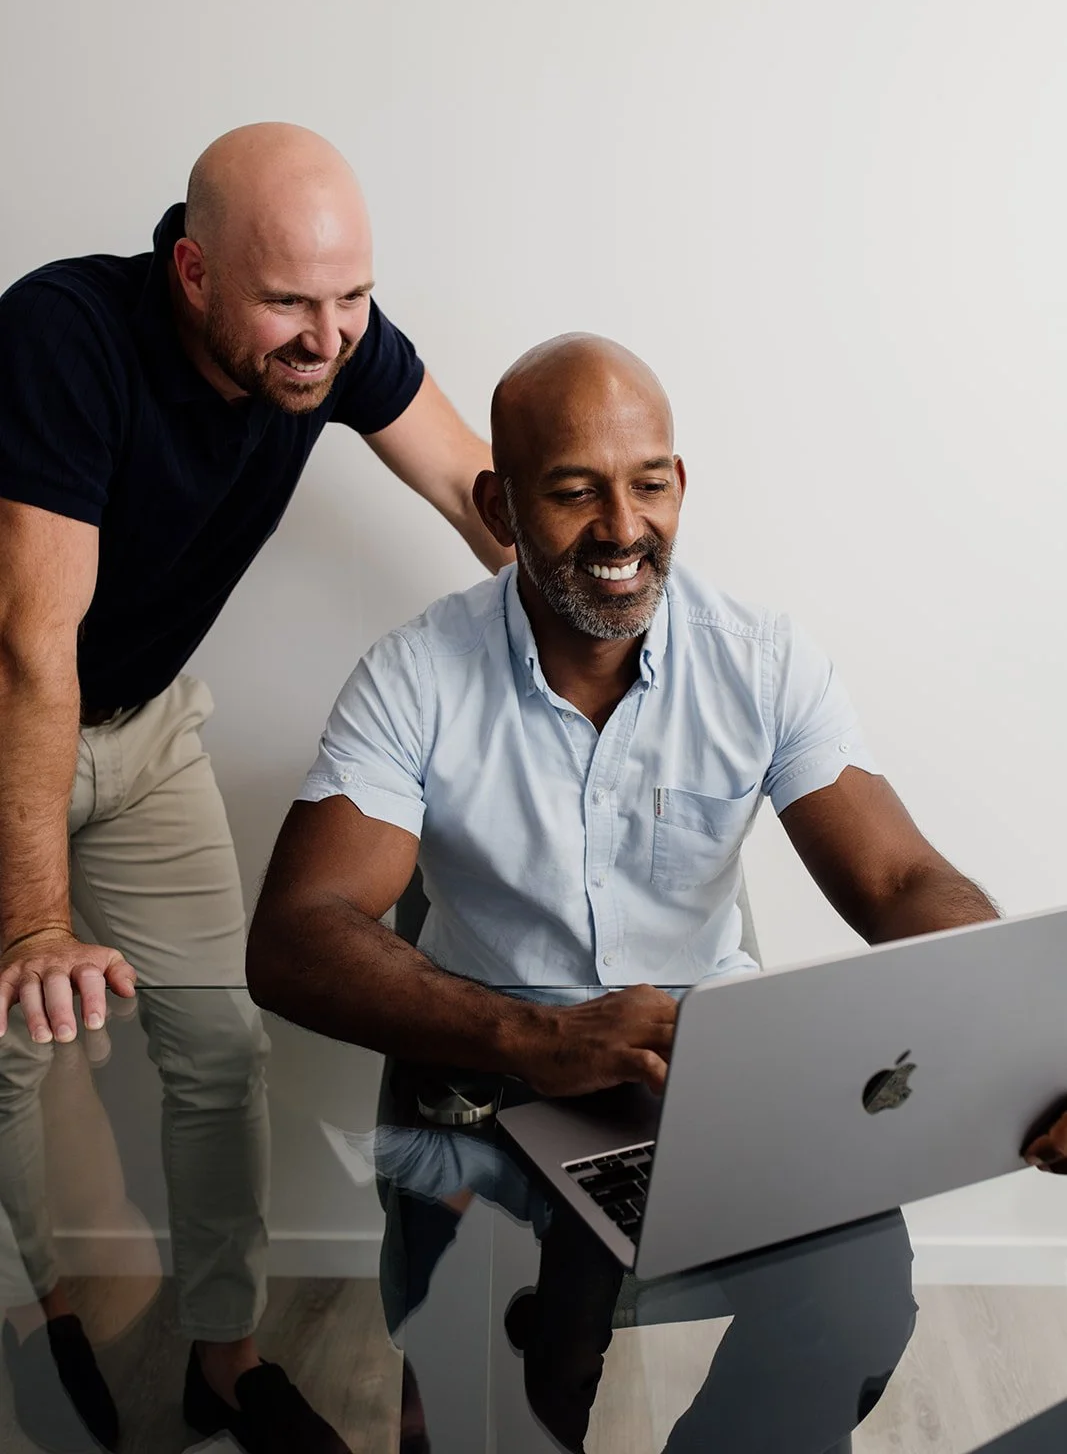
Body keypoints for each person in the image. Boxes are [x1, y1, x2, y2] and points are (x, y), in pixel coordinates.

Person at [247, 331, 1067, 1169]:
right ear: (499, 508)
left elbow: (897, 880)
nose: (622, 528)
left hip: (710, 1081)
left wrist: (1020, 1045)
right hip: (491, 1076)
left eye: (647, 486)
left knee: (854, 1301)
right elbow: (295, 935)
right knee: (475, 1297)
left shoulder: (763, 661)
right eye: (574, 492)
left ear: (678, 485)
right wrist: (538, 1035)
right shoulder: (414, 676)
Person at [0, 123, 511, 1454]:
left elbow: (471, 486)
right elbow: (29, 658)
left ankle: (222, 1360)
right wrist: (35, 926)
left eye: (348, 300)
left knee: (220, 1052)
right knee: (5, 1068)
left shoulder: (334, 337)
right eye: (289, 302)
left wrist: (587, 577)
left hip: (147, 730)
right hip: (12, 729)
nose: (326, 336)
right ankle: (35, 1326)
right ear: (192, 271)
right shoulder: (62, 336)